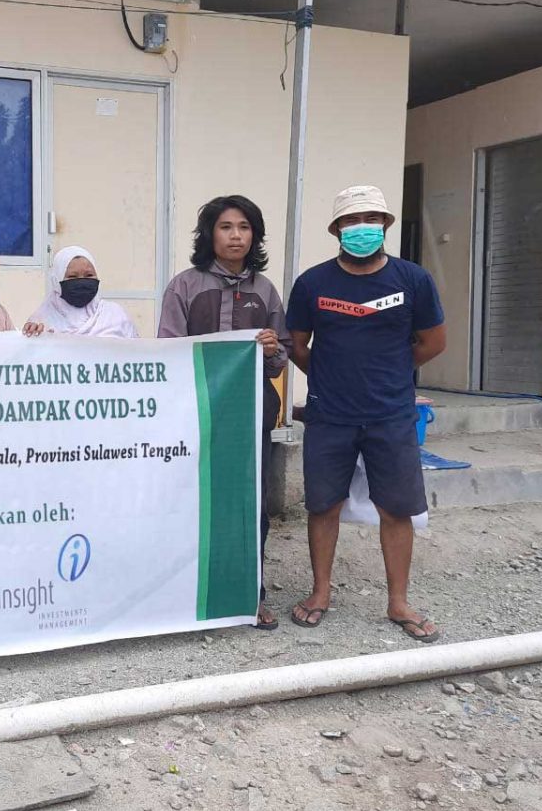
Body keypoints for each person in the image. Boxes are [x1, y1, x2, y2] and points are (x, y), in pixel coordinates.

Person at [285, 184, 446, 642]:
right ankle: (320, 593)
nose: (362, 228)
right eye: (352, 221)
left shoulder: (413, 280)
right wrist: (332, 375)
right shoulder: (312, 283)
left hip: (391, 415)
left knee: (396, 509)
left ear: (386, 225)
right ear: (337, 229)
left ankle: (399, 602)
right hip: (329, 415)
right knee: (323, 505)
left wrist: (390, 372)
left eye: (372, 219)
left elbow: (433, 342)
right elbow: (297, 344)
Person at [158, 195, 292, 632]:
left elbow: (280, 358)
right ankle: (188, 594)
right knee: (193, 500)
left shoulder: (265, 290)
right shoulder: (184, 286)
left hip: (251, 415)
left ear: (255, 236)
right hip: (197, 413)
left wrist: (271, 350)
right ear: (209, 234)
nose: (236, 236)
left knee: (249, 501)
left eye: (244, 227)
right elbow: (170, 352)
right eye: (226, 227)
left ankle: (249, 595)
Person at [22, 246, 139, 338]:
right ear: (57, 282)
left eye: (89, 275)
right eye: (72, 276)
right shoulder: (41, 321)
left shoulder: (115, 315)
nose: (82, 281)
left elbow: (136, 354)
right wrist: (33, 335)